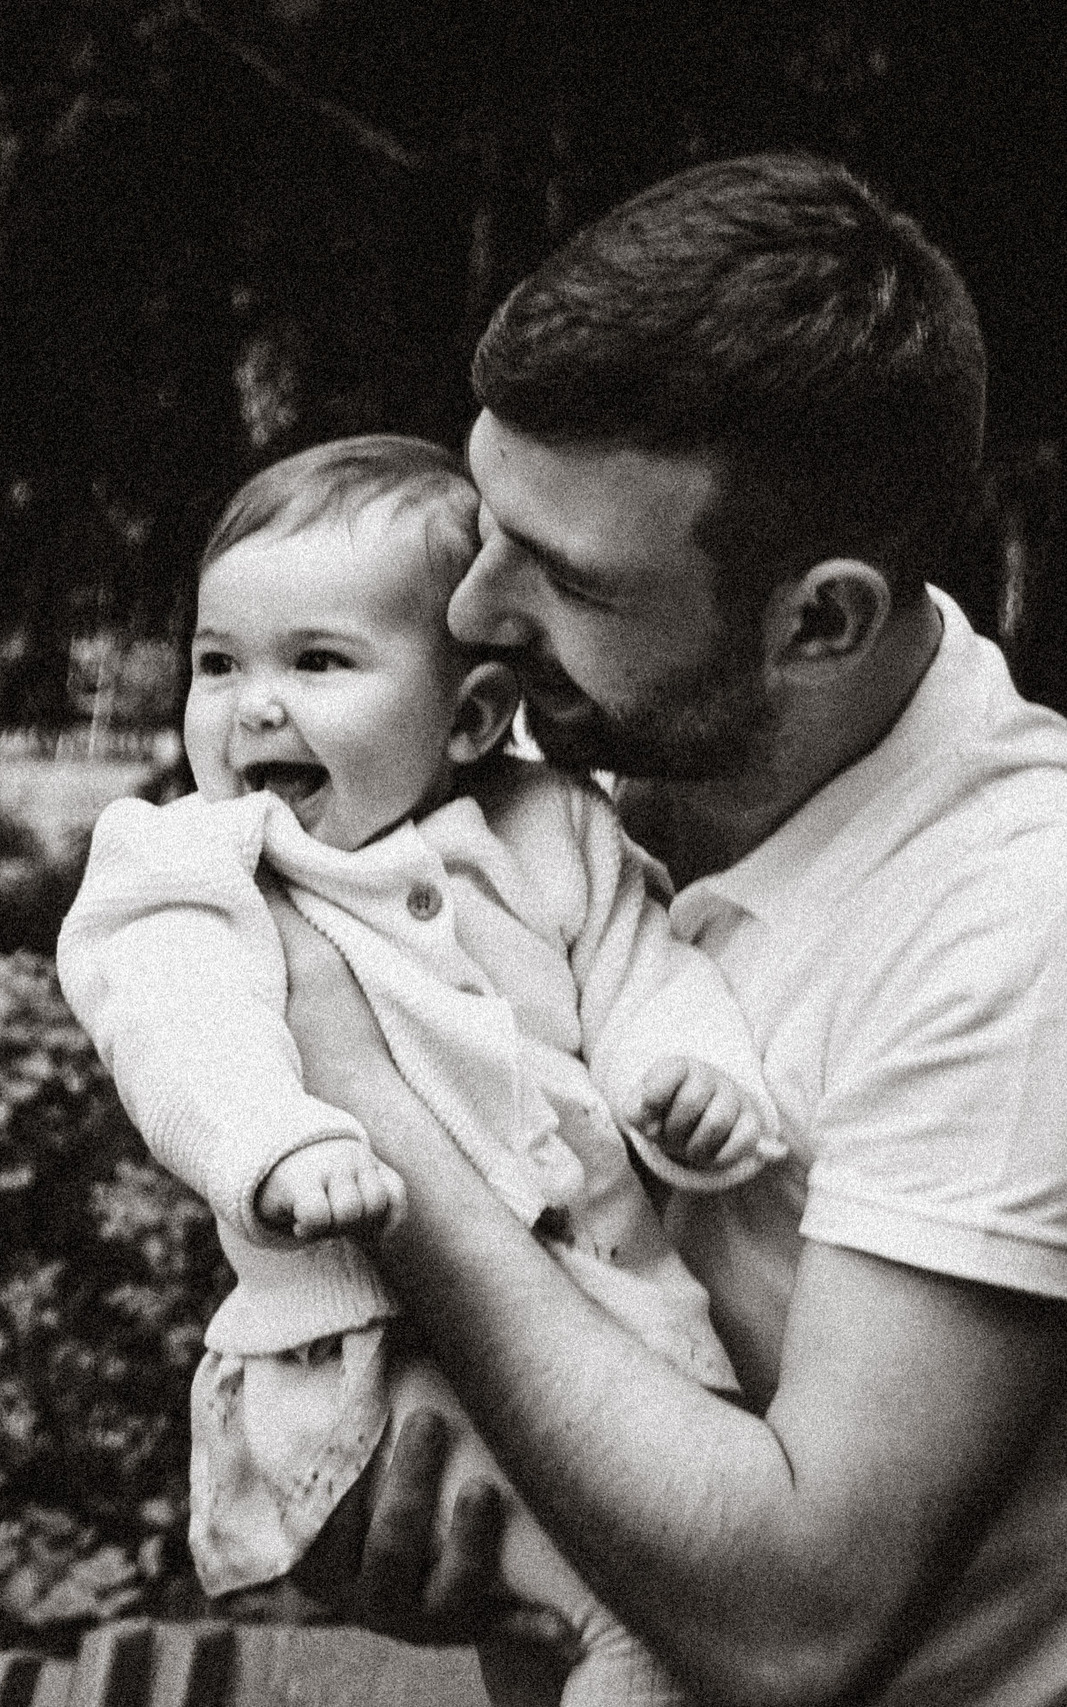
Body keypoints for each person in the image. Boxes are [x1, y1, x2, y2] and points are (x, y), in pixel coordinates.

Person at [283, 154, 1067, 1707]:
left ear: (819, 620)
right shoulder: (589, 776)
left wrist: (374, 1121)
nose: (467, 615)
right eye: (484, 520)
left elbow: (798, 1621)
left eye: (565, 577)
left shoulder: (1018, 926)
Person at [56, 434, 776, 1706]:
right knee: (642, 1629)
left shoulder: (551, 828)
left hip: (607, 1333)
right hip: (363, 1376)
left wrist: (686, 1076)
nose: (253, 704)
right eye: (218, 664)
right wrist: (274, 1140)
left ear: (471, 718)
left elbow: (640, 973)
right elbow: (171, 1017)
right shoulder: (197, 861)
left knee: (594, 1636)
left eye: (318, 662)